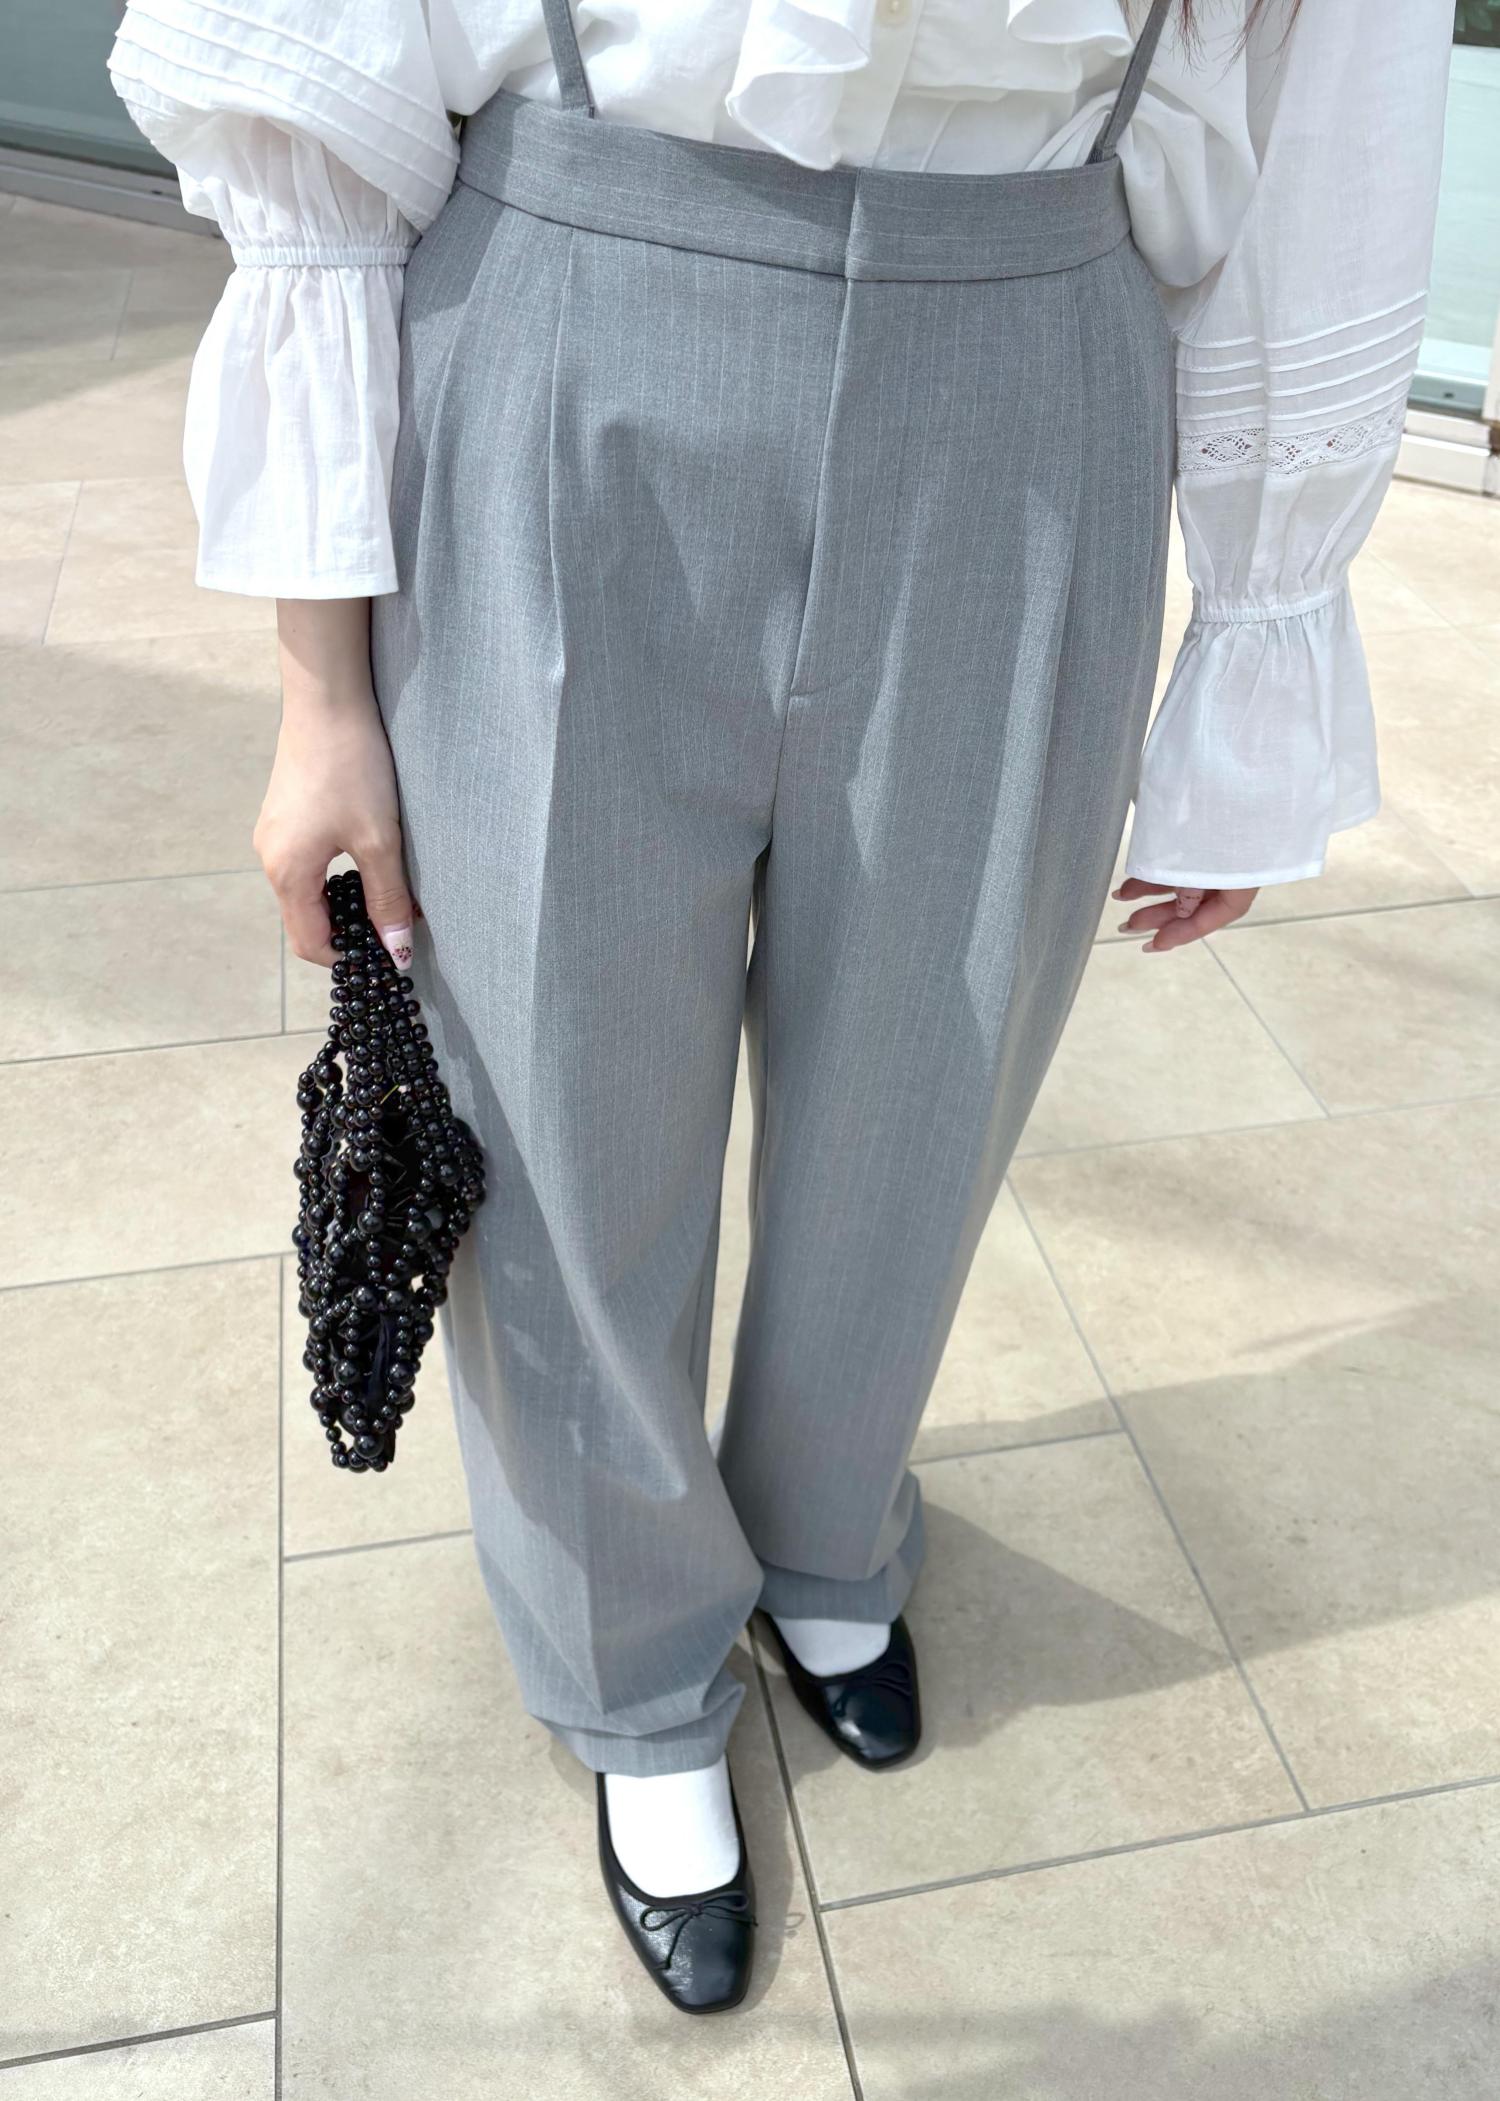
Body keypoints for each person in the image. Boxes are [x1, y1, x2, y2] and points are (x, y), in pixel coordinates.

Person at [109, 0, 1452, 2016]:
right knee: (556, 1112)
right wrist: (322, 693)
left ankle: (827, 1530)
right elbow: (327, 85)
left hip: (1034, 356)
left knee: (928, 1085)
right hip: (574, 321)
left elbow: (1335, 98)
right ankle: (632, 1660)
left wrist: (1264, 631)